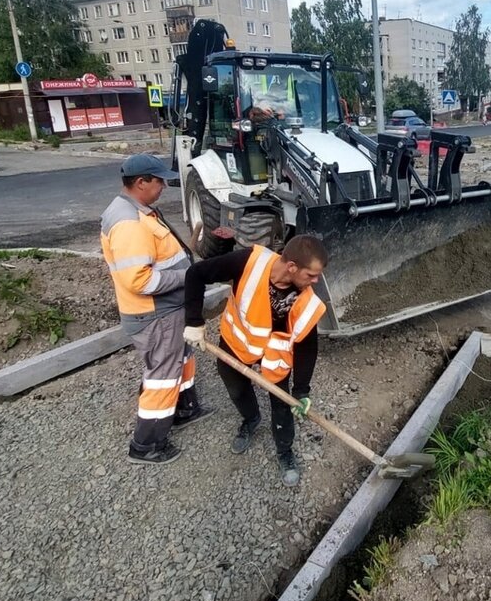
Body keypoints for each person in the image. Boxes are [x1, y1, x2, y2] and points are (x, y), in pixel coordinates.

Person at [183, 235, 328, 487]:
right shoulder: (249, 262)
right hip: (237, 343)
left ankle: (285, 451)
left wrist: (302, 390)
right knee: (237, 390)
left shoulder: (304, 299)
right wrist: (194, 322)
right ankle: (251, 419)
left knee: (283, 404)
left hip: (274, 357)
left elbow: (307, 346)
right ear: (292, 267)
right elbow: (196, 274)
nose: (316, 281)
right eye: (311, 275)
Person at [100, 154, 205, 466]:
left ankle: (185, 408)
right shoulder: (129, 224)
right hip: (155, 313)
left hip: (169, 309)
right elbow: (139, 280)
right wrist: (187, 277)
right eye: (158, 180)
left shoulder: (138, 210)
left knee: (181, 358)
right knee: (162, 374)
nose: (164, 185)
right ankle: (146, 444)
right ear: (141, 182)